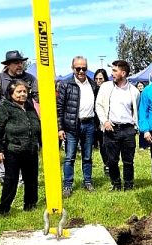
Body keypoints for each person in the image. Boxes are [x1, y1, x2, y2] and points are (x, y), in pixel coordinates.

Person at [0, 80, 40, 216]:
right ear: (11, 93)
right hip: (13, 150)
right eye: (19, 91)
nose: (23, 94)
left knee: (31, 179)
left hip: (30, 149)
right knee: (11, 181)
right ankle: (4, 209)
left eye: (25, 91)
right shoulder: (4, 108)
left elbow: (36, 124)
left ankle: (30, 205)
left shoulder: (29, 106)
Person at [57, 56, 99, 197]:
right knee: (70, 157)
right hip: (71, 126)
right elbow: (60, 108)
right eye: (78, 68)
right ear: (72, 68)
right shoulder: (65, 84)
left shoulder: (93, 85)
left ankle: (87, 181)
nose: (81, 71)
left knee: (87, 156)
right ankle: (67, 185)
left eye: (84, 68)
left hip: (89, 124)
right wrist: (60, 128)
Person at [95, 60, 140, 191]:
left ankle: (129, 184)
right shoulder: (105, 87)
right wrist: (105, 121)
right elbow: (98, 105)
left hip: (128, 130)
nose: (112, 73)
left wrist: (134, 127)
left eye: (115, 71)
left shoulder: (134, 91)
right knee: (112, 160)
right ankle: (116, 184)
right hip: (111, 129)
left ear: (123, 73)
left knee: (128, 160)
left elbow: (135, 109)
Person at [92, 68, 110, 177]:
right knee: (101, 145)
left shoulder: (109, 90)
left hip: (106, 121)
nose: (98, 81)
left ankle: (109, 164)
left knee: (107, 144)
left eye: (101, 79)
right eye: (96, 79)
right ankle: (106, 164)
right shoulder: (92, 90)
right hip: (94, 122)